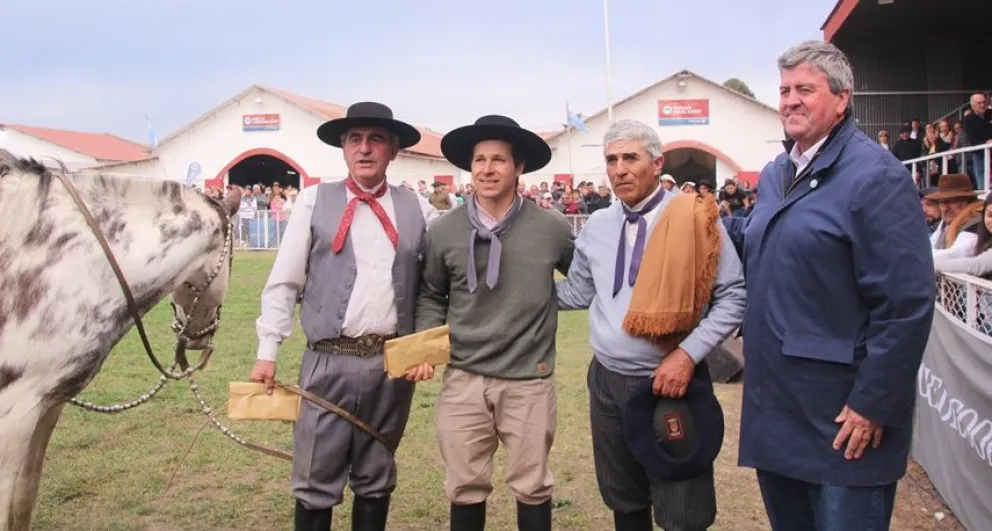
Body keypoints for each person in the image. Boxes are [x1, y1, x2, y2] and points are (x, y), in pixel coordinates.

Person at [723, 40, 935, 530]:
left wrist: (871, 404)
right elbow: (762, 237)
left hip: (843, 420)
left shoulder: (876, 176)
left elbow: (906, 306)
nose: (790, 100)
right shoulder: (779, 173)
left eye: (805, 89)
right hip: (777, 409)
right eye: (783, 90)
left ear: (843, 99)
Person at [249, 101, 439, 531]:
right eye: (355, 139)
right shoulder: (314, 201)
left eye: (376, 140)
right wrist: (267, 351)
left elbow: (436, 286)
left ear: (393, 150)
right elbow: (284, 282)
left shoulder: (419, 210)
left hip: (391, 366)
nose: (365, 149)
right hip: (326, 362)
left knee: (375, 478)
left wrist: (424, 345)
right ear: (343, 149)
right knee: (316, 476)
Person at [556, 119, 746, 531]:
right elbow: (576, 294)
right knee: (624, 499)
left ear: (657, 162)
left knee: (683, 508)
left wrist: (687, 355)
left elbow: (733, 297)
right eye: (611, 160)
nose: (620, 168)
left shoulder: (697, 219)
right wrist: (514, 294)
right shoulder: (598, 226)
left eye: (630, 157)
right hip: (606, 381)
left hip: (671, 379)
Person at [408, 115, 575, 531]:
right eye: (479, 160)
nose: (487, 169)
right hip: (464, 377)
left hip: (528, 378)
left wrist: (546, 302)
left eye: (498, 160)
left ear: (518, 168)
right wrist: (427, 347)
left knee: (532, 485)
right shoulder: (444, 230)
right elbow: (431, 293)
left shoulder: (551, 227)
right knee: (464, 484)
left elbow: (586, 278)